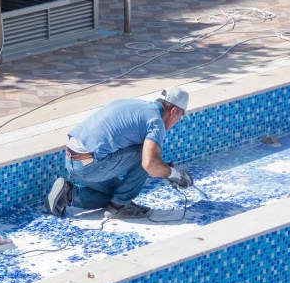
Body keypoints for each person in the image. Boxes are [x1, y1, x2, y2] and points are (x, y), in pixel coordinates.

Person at [45, 86, 193, 218]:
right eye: (180, 116)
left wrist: (164, 168)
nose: (178, 121)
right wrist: (174, 174)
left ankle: (68, 194)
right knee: (143, 158)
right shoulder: (155, 122)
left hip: (73, 158)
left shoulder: (136, 106)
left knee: (115, 195)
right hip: (88, 165)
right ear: (174, 111)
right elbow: (150, 164)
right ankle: (120, 206)